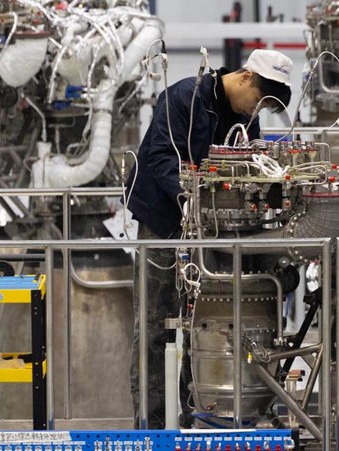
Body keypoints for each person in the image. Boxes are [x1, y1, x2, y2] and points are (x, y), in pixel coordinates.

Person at [125, 49, 293, 429]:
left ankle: (193, 417)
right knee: (156, 324)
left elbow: (248, 164)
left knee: (203, 324)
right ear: (246, 78)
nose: (255, 113)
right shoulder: (185, 97)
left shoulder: (244, 119)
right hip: (165, 223)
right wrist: (192, 195)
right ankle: (151, 426)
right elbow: (160, 157)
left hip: (213, 229)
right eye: (257, 102)